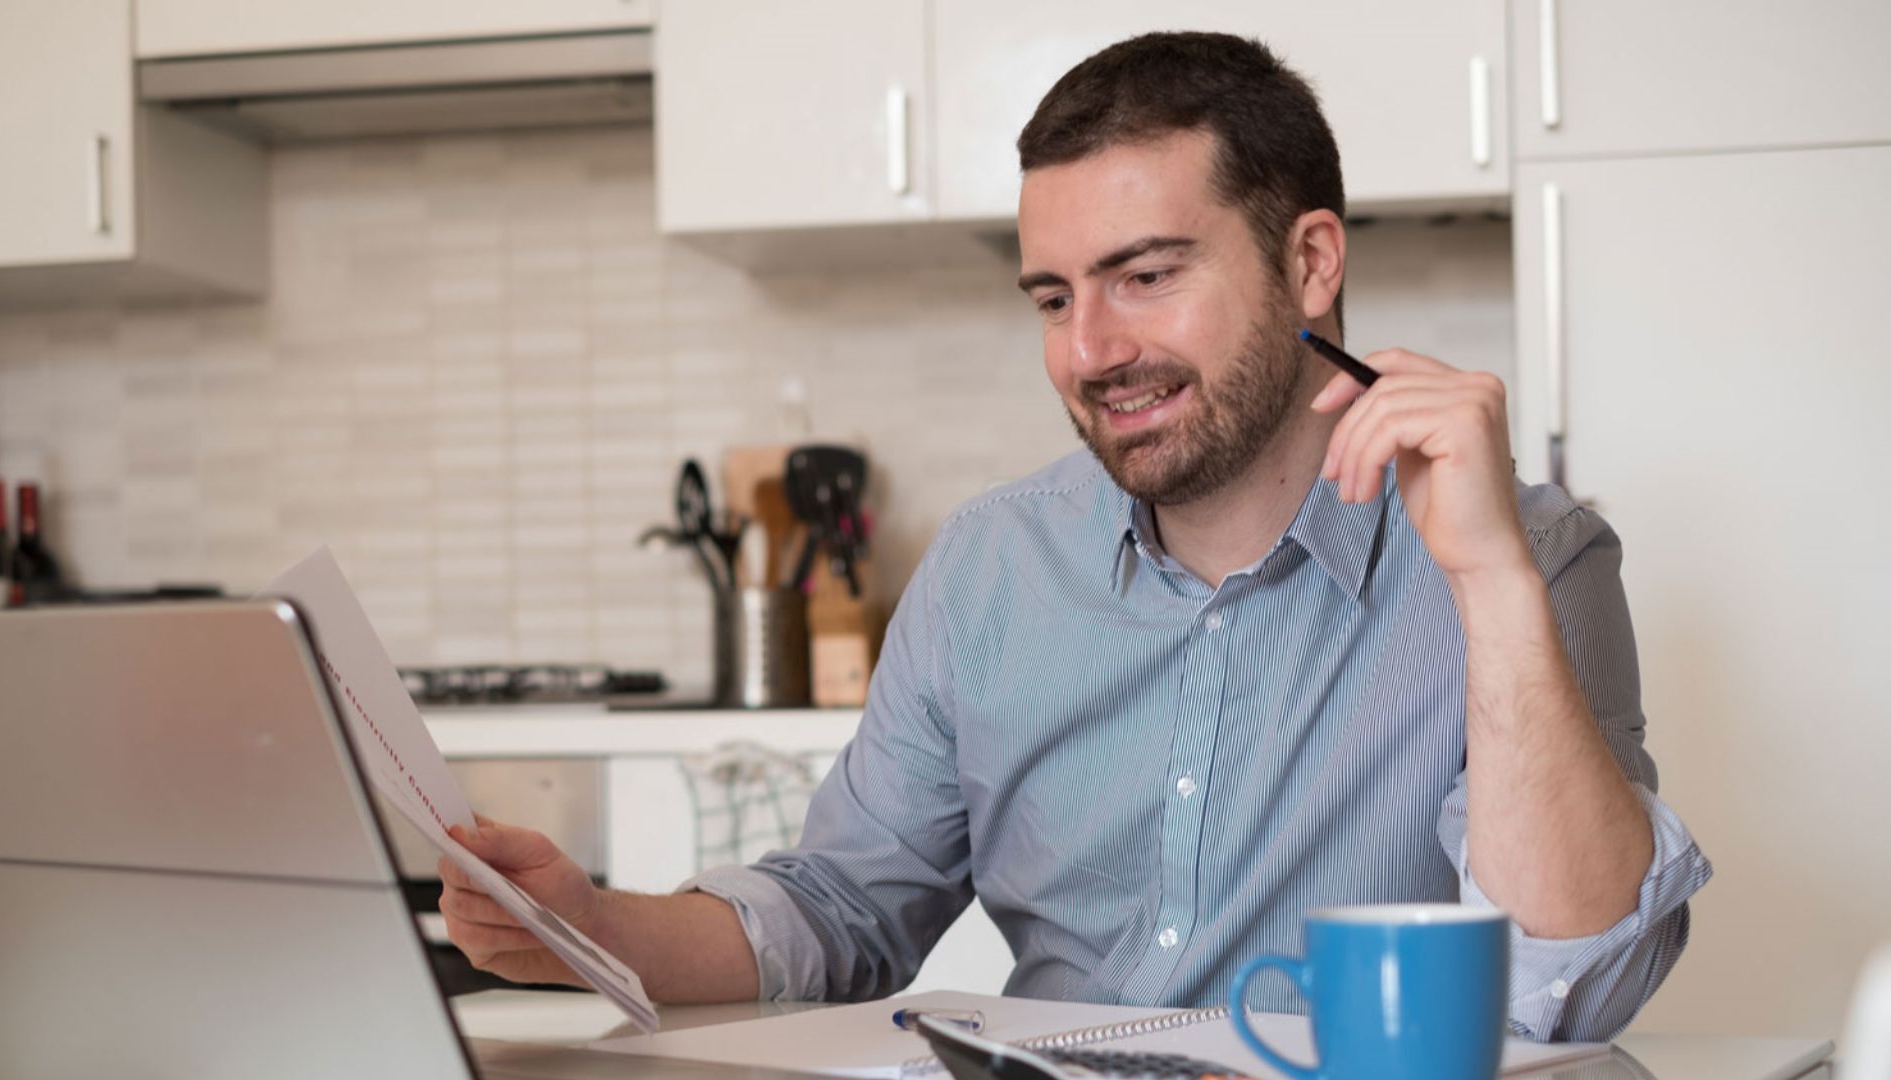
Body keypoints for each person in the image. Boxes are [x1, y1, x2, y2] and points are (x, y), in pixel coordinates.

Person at [439, 31, 1709, 1043]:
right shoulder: (993, 567)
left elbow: (1575, 986)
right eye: (1057, 296)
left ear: (1310, 261)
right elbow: (843, 908)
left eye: (1147, 275)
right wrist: (592, 924)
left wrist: (1485, 578)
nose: (1091, 350)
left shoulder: (1533, 559)